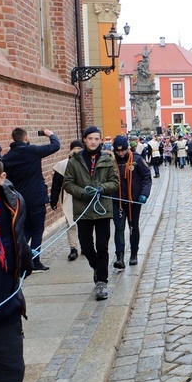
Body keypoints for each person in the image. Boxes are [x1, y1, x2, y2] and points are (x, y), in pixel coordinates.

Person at [0, 142, 33, 382]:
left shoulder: (14, 204)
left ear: (0, 177)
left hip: (5, 319)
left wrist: (25, 262)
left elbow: (18, 244)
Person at [62, 126, 118, 301]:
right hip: (83, 210)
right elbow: (68, 183)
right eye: (90, 138)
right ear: (85, 140)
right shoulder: (74, 161)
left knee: (102, 246)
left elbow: (114, 182)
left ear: (100, 140)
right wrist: (82, 192)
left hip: (103, 210)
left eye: (96, 138)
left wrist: (102, 188)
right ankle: (97, 266)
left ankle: (101, 281)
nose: (93, 141)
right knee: (86, 247)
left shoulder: (107, 160)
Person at [2, 127, 61, 271]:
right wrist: (51, 134)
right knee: (36, 231)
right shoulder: (32, 151)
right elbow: (55, 146)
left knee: (25, 230)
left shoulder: (7, 157)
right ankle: (34, 261)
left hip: (19, 200)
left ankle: (21, 258)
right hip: (36, 199)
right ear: (26, 138)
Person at [111, 136, 152, 269]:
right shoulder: (111, 160)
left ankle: (134, 254)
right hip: (117, 200)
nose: (121, 153)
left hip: (134, 200)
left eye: (123, 150)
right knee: (119, 228)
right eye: (118, 151)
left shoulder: (137, 159)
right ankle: (120, 257)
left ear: (127, 148)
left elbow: (146, 177)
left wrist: (144, 194)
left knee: (133, 227)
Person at [50, 140, 84, 261]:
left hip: (84, 196)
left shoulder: (87, 164)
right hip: (69, 197)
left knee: (86, 222)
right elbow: (56, 185)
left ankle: (86, 245)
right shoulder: (63, 165)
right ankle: (73, 248)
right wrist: (53, 200)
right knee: (71, 223)